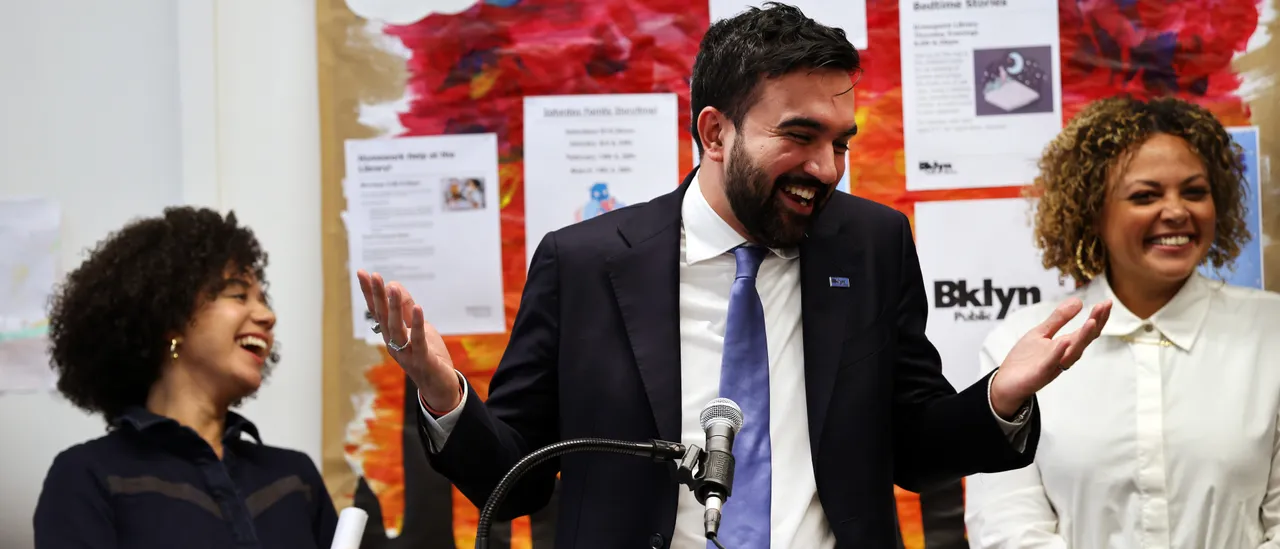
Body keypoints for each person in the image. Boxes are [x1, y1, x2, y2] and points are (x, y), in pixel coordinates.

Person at [359, 4, 1111, 547]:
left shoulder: (871, 244)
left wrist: (999, 398)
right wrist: (443, 394)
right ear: (715, 132)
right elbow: (519, 479)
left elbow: (914, 448)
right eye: (800, 136)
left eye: (841, 142)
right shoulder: (584, 262)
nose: (827, 168)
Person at [964, 95, 1280, 547]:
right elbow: (1005, 526)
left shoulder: (1271, 330)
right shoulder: (1021, 342)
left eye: (1194, 192)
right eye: (1145, 196)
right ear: (1093, 211)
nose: (1177, 211)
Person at [33, 207, 338, 549]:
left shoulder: (295, 478)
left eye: (263, 300)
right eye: (239, 295)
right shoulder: (88, 476)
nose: (268, 316)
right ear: (172, 319)